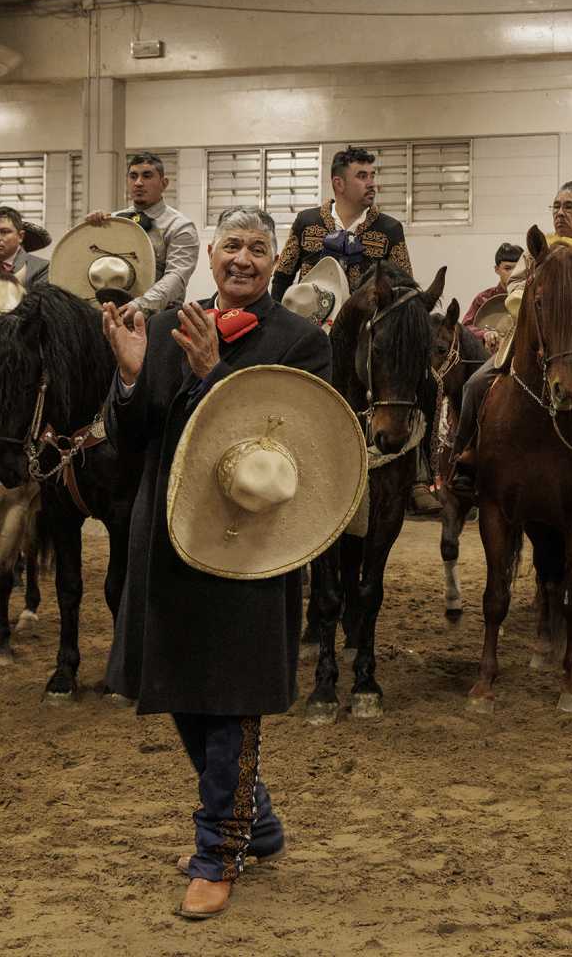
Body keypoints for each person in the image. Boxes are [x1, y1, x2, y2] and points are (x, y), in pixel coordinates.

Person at [102, 206, 330, 921]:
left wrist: (211, 374)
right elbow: (133, 437)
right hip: (167, 533)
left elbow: (282, 450)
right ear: (209, 253)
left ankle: (219, 849)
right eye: (230, 245)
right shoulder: (173, 325)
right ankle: (253, 823)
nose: (242, 258)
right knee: (179, 686)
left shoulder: (302, 343)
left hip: (250, 545)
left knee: (230, 696)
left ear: (273, 261)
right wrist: (134, 376)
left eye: (257, 249)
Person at [448, 181, 572, 505]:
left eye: (568, 207)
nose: (560, 213)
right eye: (556, 206)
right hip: (534, 335)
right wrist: (527, 297)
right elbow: (513, 286)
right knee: (474, 385)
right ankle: (465, 459)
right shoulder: (536, 249)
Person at [271, 146, 412, 299]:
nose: (371, 184)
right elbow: (282, 277)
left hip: (366, 321)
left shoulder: (390, 229)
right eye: (362, 176)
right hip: (310, 321)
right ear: (339, 184)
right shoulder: (306, 222)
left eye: (372, 176)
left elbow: (404, 288)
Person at [84, 152, 199, 315]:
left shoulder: (180, 227)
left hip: (159, 320)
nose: (138, 183)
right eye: (133, 176)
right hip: (108, 315)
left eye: (147, 176)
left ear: (164, 183)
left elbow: (177, 277)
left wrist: (141, 305)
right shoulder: (114, 220)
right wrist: (89, 231)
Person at [462, 242, 522, 351]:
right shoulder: (483, 298)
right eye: (507, 268)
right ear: (497, 269)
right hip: (489, 359)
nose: (513, 273)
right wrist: (485, 334)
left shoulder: (531, 298)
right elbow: (465, 328)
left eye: (518, 268)